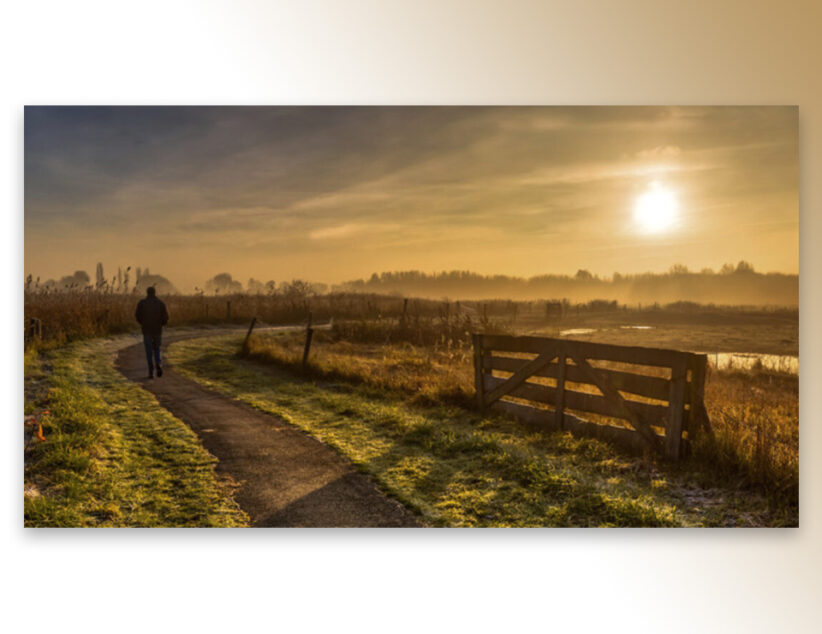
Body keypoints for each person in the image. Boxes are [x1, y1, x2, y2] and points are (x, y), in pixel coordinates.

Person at [135, 286, 169, 378]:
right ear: (155, 293)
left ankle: (151, 372)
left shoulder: (142, 303)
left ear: (147, 293)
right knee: (157, 348)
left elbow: (137, 315)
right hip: (157, 330)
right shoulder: (160, 303)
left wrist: (142, 323)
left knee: (149, 351)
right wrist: (161, 324)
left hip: (146, 330)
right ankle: (158, 363)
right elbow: (165, 317)